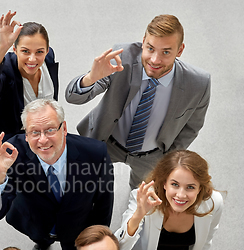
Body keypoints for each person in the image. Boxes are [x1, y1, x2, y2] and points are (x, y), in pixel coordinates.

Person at [66, 14, 211, 189]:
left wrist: (167, 158)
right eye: (150, 48)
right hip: (105, 140)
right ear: (143, 42)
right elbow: (73, 97)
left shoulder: (198, 84)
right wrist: (91, 78)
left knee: (140, 199)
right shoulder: (123, 57)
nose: (155, 60)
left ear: (179, 51)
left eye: (166, 52)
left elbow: (192, 127)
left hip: (152, 156)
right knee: (86, 186)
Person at [0, 98, 114, 250]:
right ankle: (42, 245)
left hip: (76, 226)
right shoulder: (12, 153)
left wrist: (96, 239)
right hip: (34, 222)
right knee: (41, 237)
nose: (43, 140)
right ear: (26, 135)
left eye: (50, 130)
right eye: (35, 132)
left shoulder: (95, 153)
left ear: (64, 128)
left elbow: (104, 202)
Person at [115, 150, 224, 250]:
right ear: (164, 183)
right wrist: (139, 214)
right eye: (175, 184)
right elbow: (119, 247)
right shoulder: (143, 197)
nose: (181, 195)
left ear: (200, 188)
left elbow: (209, 232)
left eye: (190, 187)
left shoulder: (214, 202)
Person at [0, 10, 59, 140]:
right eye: (25, 51)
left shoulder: (48, 59)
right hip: (18, 139)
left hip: (50, 134)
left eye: (39, 52)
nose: (32, 59)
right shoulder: (7, 70)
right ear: (15, 50)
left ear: (47, 51)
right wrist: (2, 48)